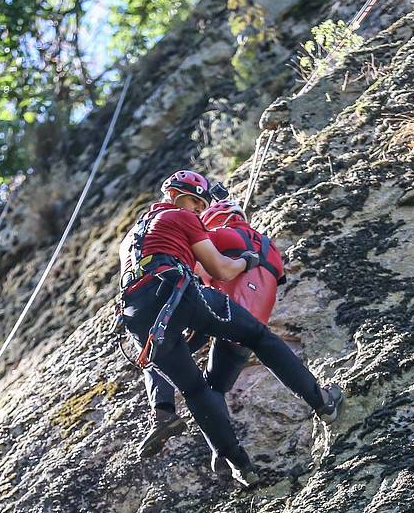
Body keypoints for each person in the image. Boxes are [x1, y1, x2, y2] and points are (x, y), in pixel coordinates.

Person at [118, 169, 342, 487]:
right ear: (172, 195)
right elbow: (220, 270)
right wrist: (246, 263)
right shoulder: (181, 217)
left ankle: (240, 467)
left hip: (137, 314)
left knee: (195, 388)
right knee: (258, 336)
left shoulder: (131, 238)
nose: (198, 209)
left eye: (202, 204)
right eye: (195, 201)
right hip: (175, 292)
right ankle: (322, 401)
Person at [139, 195, 287, 458]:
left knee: (162, 357)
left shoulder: (219, 236)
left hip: (223, 316)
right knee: (215, 384)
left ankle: (218, 449)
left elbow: (202, 269)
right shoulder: (270, 248)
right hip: (250, 326)